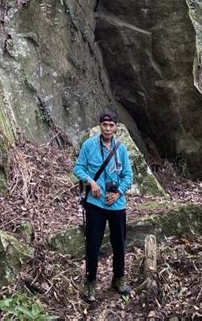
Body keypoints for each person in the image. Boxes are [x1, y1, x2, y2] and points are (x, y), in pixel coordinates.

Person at [73, 110, 134, 303]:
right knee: (92, 245)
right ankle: (90, 283)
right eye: (105, 125)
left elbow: (128, 176)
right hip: (95, 204)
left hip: (117, 205)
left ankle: (118, 279)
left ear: (116, 127)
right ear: (100, 126)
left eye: (111, 125)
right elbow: (78, 168)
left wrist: (119, 192)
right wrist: (91, 182)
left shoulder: (121, 149)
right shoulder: (89, 146)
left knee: (119, 244)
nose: (108, 128)